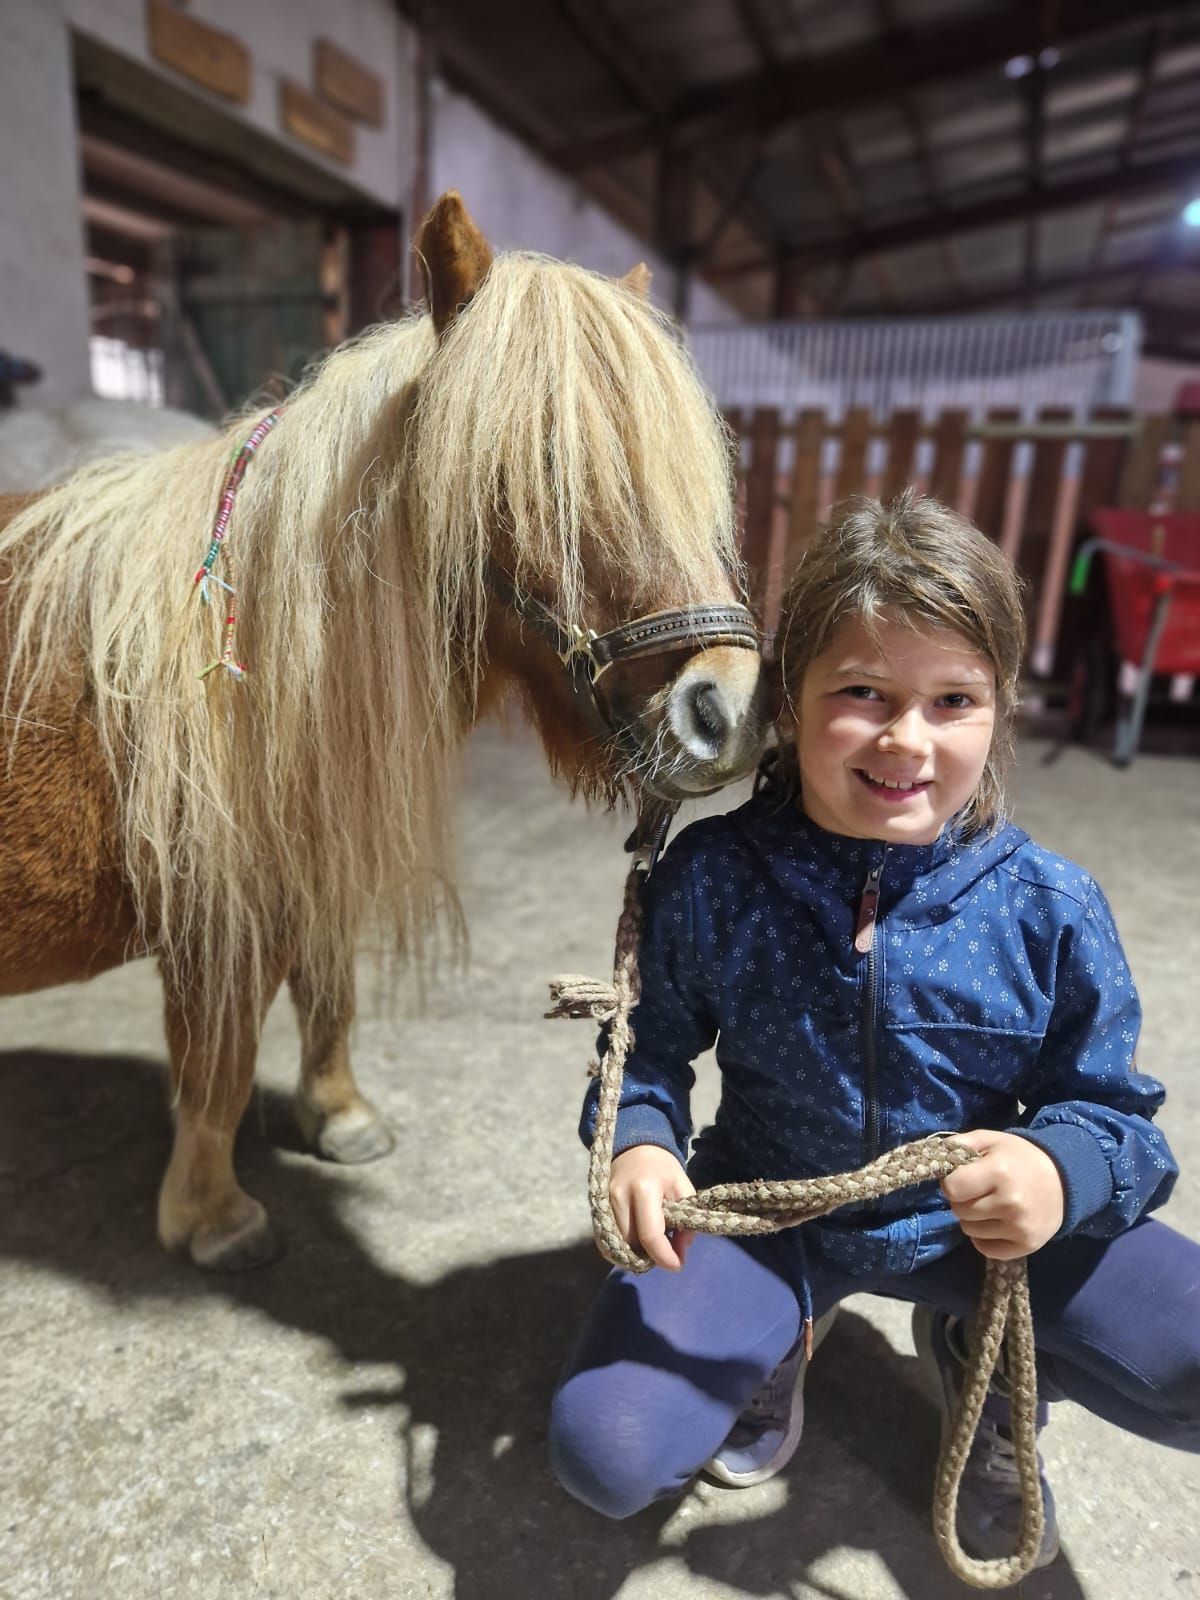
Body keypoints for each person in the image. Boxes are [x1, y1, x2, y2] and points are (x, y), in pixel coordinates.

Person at [548, 492, 1199, 1567]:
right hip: (775, 1213)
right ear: (788, 701)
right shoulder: (713, 878)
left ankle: (979, 1361)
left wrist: (1057, 1171)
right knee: (605, 1452)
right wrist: (643, 1140)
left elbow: (1119, 1118)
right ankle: (776, 1334)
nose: (908, 737)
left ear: (1000, 711)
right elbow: (648, 1052)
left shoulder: (1050, 906)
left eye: (954, 699)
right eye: (862, 692)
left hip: (977, 1229)